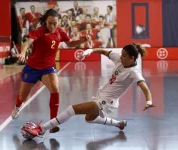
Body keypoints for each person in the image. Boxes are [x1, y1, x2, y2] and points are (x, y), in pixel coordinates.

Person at [23, 43, 156, 136]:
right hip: (101, 96)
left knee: (71, 109)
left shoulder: (134, 72)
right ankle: (119, 123)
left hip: (107, 103)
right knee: (89, 119)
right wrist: (90, 51)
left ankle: (42, 129)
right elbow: (104, 51)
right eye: (121, 55)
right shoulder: (120, 61)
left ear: (132, 58)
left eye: (124, 56)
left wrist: (149, 101)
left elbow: (144, 87)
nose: (120, 57)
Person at [11, 9, 90, 133]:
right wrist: (22, 52)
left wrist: (81, 41)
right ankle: (17, 107)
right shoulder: (39, 31)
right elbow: (27, 43)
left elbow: (69, 44)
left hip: (47, 68)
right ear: (45, 22)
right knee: (23, 97)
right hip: (32, 68)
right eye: (50, 23)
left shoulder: (60, 32)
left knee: (55, 88)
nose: (52, 26)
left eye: (55, 23)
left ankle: (53, 122)